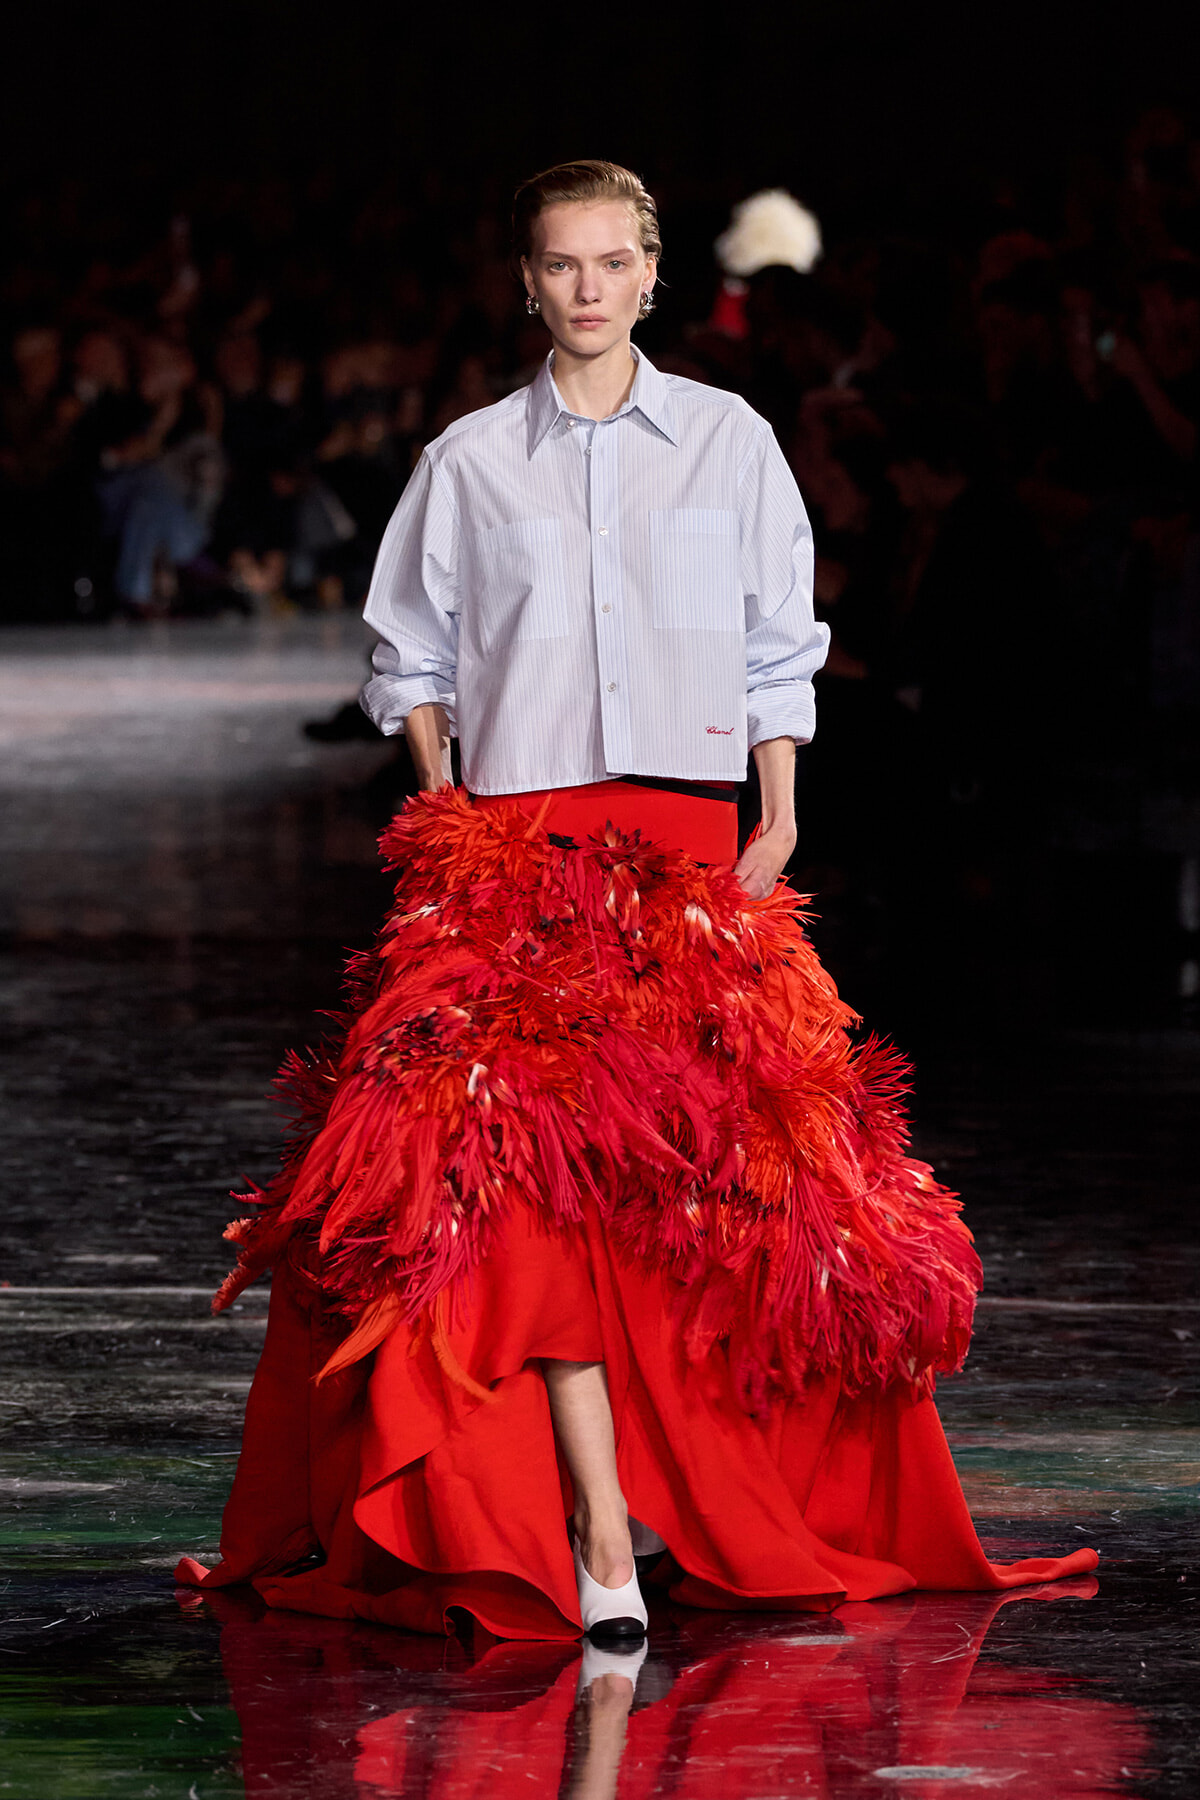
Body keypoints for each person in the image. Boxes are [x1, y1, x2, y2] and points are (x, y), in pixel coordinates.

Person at [177, 162, 1097, 1645]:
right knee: (519, 1204)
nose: (589, 287)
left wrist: (782, 805)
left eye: (614, 261)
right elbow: (406, 654)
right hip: (519, 854)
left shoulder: (729, 444)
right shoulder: (470, 460)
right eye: (562, 264)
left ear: (655, 273)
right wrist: (451, 803)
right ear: (528, 280)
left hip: (691, 854)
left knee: (714, 1200)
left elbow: (773, 642)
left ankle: (682, 1498)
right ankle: (600, 1528)